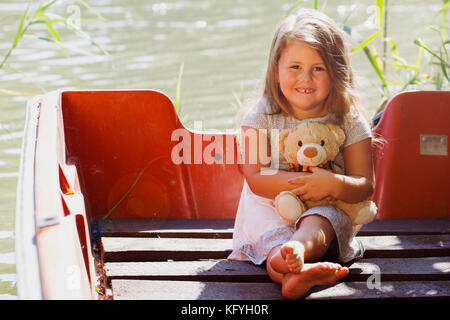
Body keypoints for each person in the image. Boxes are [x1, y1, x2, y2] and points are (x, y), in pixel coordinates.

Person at [228, 8, 375, 300]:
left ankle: (298, 253)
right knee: (271, 235)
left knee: (323, 217)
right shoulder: (261, 116)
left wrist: (335, 184)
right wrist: (303, 184)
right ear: (276, 68)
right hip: (269, 202)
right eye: (294, 67)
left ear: (336, 72)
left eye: (318, 68)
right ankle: (294, 275)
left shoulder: (348, 117)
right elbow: (255, 178)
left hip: (326, 207)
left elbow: (365, 184)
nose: (305, 78)